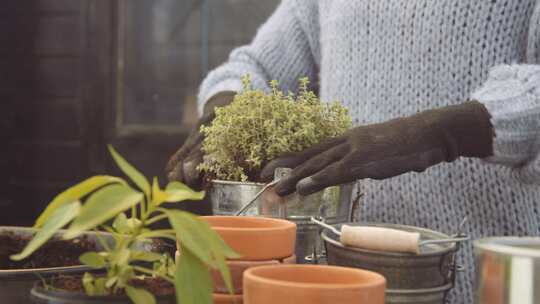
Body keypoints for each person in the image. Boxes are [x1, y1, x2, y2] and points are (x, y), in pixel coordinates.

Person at [166, 1, 540, 302]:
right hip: (338, 282)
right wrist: (227, 105)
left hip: (489, 278)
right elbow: (256, 66)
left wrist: (449, 131)